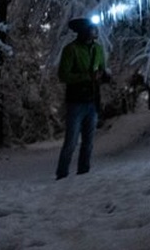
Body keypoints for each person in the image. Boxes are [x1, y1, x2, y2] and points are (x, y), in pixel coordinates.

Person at [55, 17, 108, 179]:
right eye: (92, 29)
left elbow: (102, 69)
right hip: (76, 102)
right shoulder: (71, 50)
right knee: (71, 142)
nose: (95, 32)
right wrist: (87, 76)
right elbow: (63, 75)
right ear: (84, 32)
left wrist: (104, 76)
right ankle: (62, 174)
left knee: (89, 142)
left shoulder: (98, 49)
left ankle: (83, 174)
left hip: (93, 100)